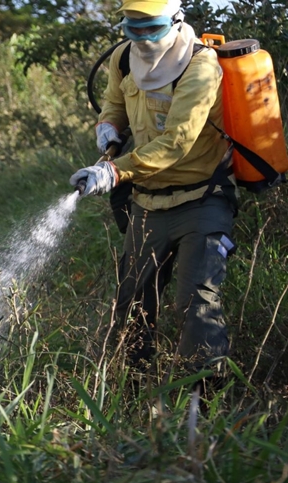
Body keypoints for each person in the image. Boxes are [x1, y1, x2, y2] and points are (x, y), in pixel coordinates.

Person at [69, 0, 238, 373]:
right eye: (133, 28)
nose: (142, 37)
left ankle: (204, 404)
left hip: (201, 200)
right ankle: (130, 398)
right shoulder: (123, 59)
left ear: (176, 21)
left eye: (152, 28)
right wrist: (107, 127)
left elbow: (178, 142)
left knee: (196, 304)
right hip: (146, 203)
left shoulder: (200, 65)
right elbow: (114, 103)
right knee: (130, 305)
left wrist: (114, 172)